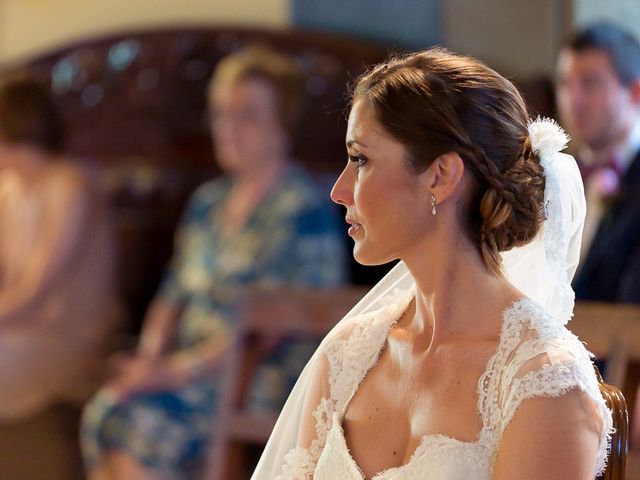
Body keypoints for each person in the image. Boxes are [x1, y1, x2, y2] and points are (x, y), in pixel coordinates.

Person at [252, 47, 612, 479]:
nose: (339, 190)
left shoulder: (545, 382)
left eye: (361, 160)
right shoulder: (348, 356)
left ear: (440, 176)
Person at [81, 45, 347, 480]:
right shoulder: (208, 203)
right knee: (107, 409)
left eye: (246, 115)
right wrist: (150, 362)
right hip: (187, 372)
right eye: (221, 114)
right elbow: (172, 296)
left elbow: (273, 328)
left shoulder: (301, 210)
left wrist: (173, 372)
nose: (228, 128)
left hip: (253, 378)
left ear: (281, 124)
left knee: (140, 420)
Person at [0, 77, 121, 420]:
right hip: (14, 325)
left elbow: (36, 293)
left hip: (66, 335)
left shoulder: (71, 187)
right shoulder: (8, 189)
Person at [555, 22, 640, 303]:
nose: (573, 100)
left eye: (590, 83)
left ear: (635, 92)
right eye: (566, 83)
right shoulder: (549, 177)